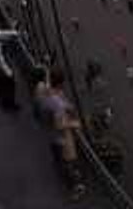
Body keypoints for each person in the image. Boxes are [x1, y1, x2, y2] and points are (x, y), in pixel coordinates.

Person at [41, 68, 86, 201]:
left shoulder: (47, 92)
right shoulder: (58, 105)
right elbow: (59, 125)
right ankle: (77, 187)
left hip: (49, 132)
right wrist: (74, 124)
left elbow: (50, 83)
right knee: (69, 161)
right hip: (60, 136)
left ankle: (63, 170)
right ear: (61, 83)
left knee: (58, 156)